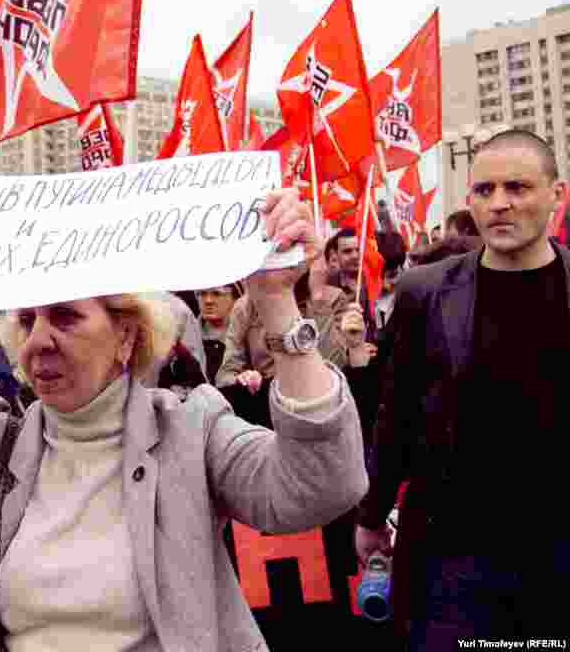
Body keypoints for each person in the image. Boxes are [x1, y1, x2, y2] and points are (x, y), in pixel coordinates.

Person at [0, 188, 369, 652]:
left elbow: (320, 486)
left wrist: (275, 300)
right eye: (26, 322)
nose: (40, 342)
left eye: (66, 317)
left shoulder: (193, 429)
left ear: (127, 334)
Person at [355, 129, 570, 648]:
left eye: (517, 188)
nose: (499, 204)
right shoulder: (425, 291)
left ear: (555, 196)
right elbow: (396, 413)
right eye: (484, 190)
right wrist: (371, 513)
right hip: (452, 551)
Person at [215, 253, 350, 428]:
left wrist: (318, 300)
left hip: (317, 404)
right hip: (268, 409)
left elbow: (336, 364)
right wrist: (244, 378)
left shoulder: (331, 298)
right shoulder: (247, 306)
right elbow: (224, 376)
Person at [196, 283, 244, 384]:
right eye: (202, 293)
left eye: (217, 294)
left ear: (236, 299)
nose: (208, 301)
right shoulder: (185, 336)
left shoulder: (248, 337)